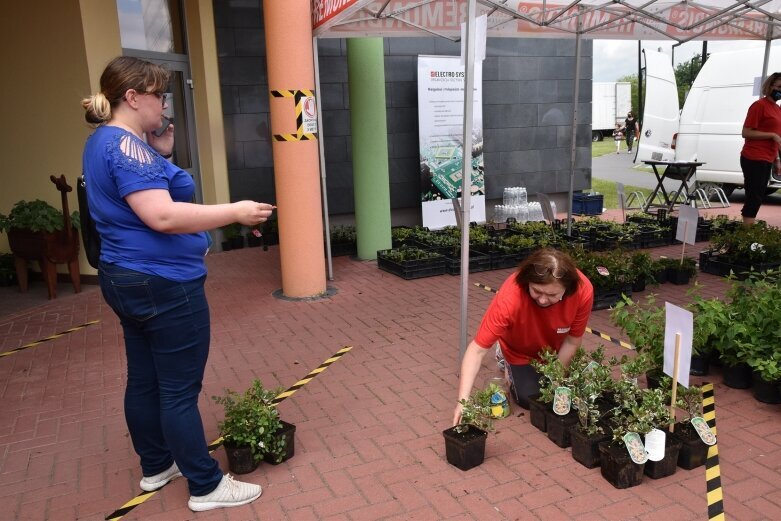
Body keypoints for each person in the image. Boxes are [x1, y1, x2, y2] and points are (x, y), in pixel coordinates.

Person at [81, 56, 275, 512]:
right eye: (159, 95)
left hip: (125, 278)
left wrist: (162, 153)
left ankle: (156, 465)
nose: (165, 104)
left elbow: (142, 200)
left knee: (145, 380)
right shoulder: (126, 148)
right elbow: (162, 215)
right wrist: (235, 211)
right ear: (132, 97)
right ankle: (205, 486)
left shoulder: (105, 141)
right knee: (178, 390)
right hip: (163, 285)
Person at [452, 248, 594, 424]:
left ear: (567, 290)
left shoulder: (583, 291)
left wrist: (555, 379)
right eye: (537, 291)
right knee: (530, 399)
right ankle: (504, 355)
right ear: (527, 282)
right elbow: (477, 350)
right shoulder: (510, 298)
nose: (542, 300)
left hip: (553, 349)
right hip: (519, 349)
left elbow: (572, 342)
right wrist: (462, 402)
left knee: (566, 394)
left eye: (552, 295)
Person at [739, 72, 781, 226]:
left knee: (758, 195)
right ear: (769, 86)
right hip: (753, 156)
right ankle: (746, 234)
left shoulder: (777, 109)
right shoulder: (759, 106)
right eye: (778, 87)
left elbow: (777, 136)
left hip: (767, 157)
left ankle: (748, 229)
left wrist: (777, 159)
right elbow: (746, 132)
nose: (780, 91)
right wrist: (772, 135)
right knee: (754, 196)